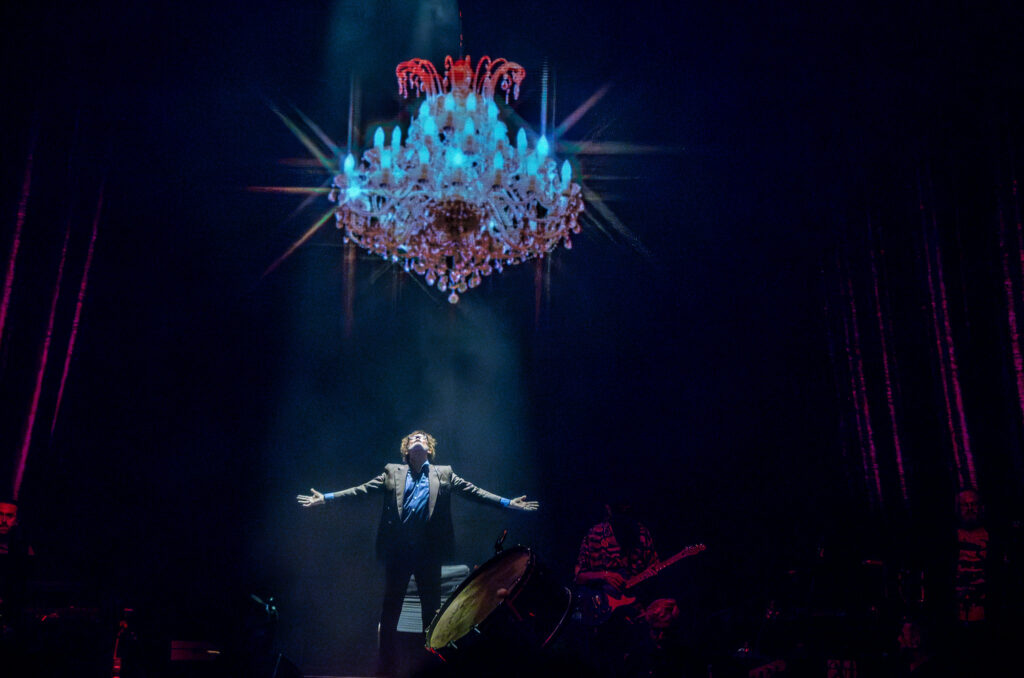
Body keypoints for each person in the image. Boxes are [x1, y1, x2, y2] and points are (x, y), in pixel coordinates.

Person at [297, 430, 538, 676]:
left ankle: (429, 669)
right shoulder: (392, 472)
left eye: (422, 438)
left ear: (429, 449)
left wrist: (508, 503)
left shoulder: (444, 473)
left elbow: (474, 492)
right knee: (390, 613)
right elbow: (361, 490)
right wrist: (326, 498)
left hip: (428, 555)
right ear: (406, 450)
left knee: (430, 616)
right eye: (413, 438)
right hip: (399, 553)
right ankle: (386, 670)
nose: (418, 439)